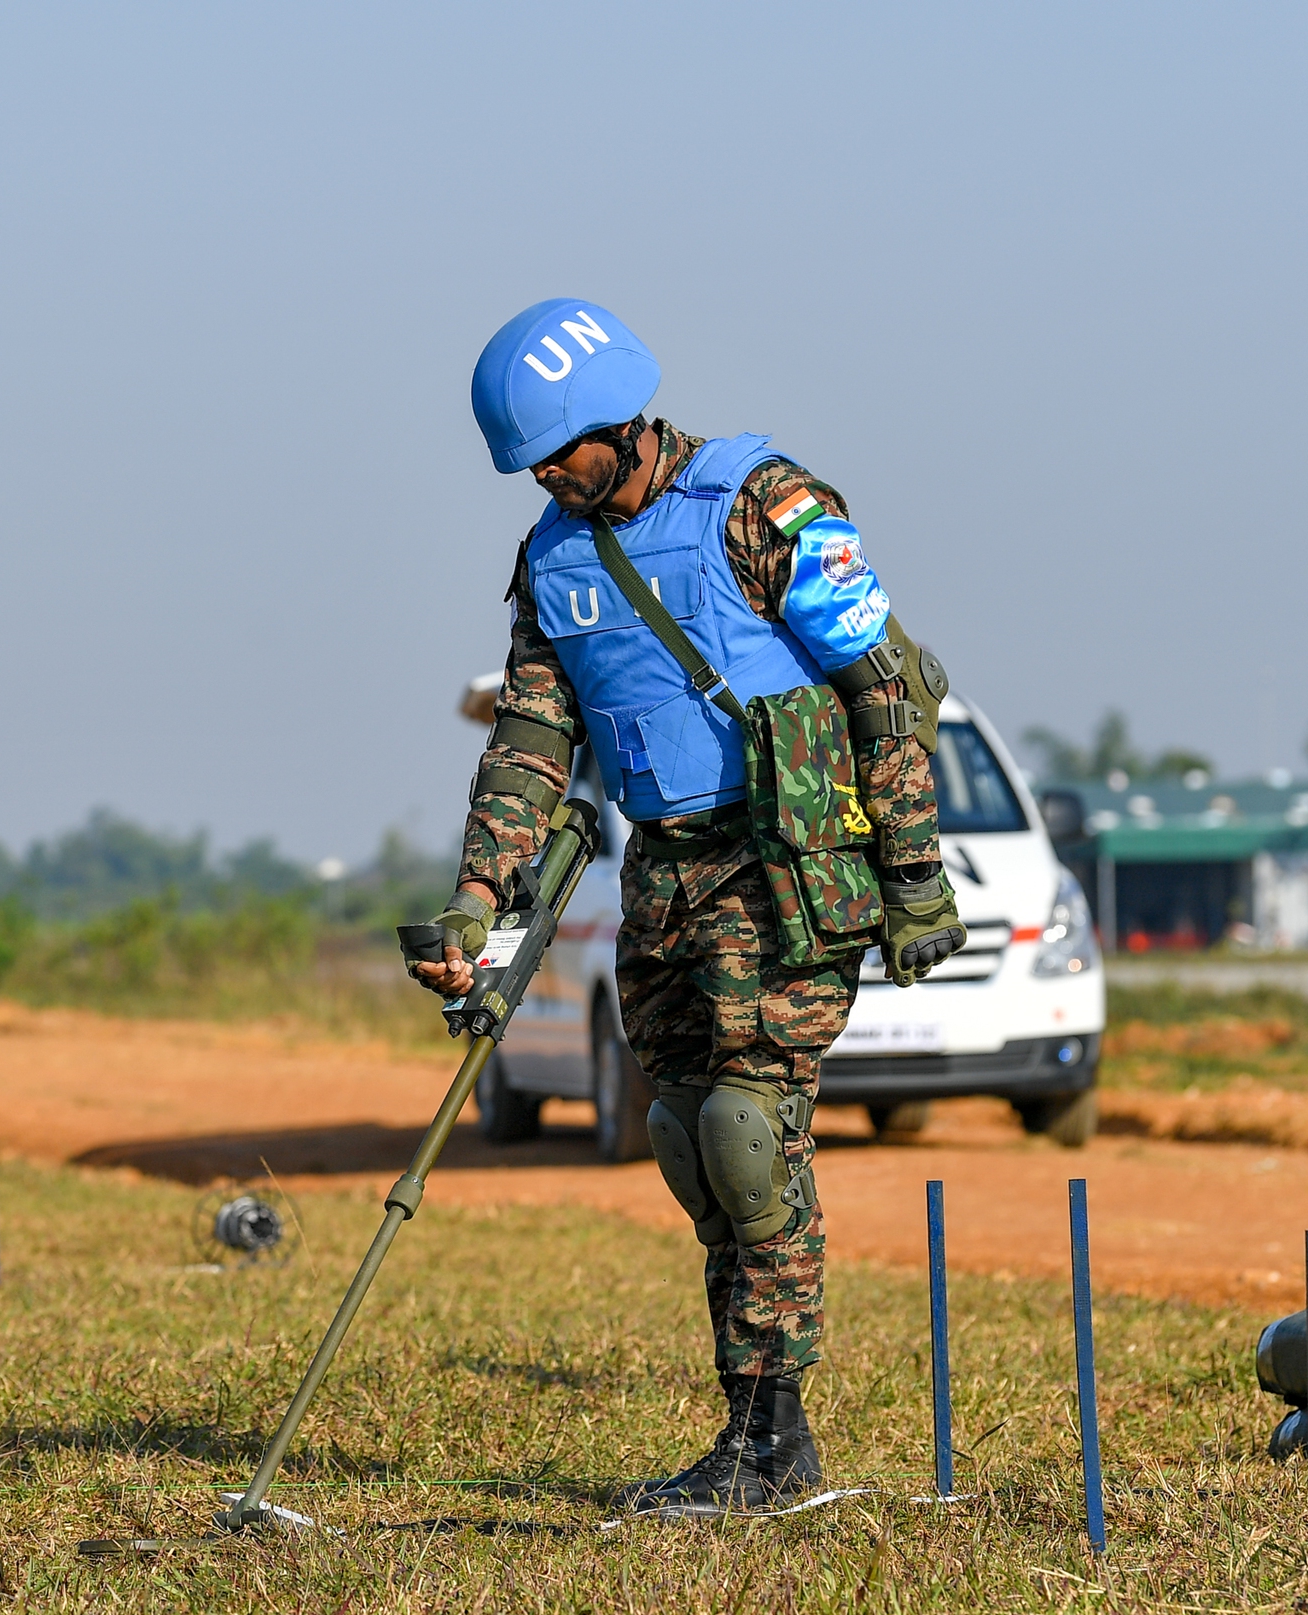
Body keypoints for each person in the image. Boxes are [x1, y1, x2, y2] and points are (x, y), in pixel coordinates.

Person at [408, 299, 965, 1513]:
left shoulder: (764, 504)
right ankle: (752, 1433)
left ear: (621, 419)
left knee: (749, 1138)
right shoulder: (550, 563)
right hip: (664, 877)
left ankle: (769, 1440)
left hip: (786, 868)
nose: (548, 478)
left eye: (562, 453)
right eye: (530, 465)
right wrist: (471, 902)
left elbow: (881, 689)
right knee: (686, 1144)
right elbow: (530, 743)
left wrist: (914, 876)